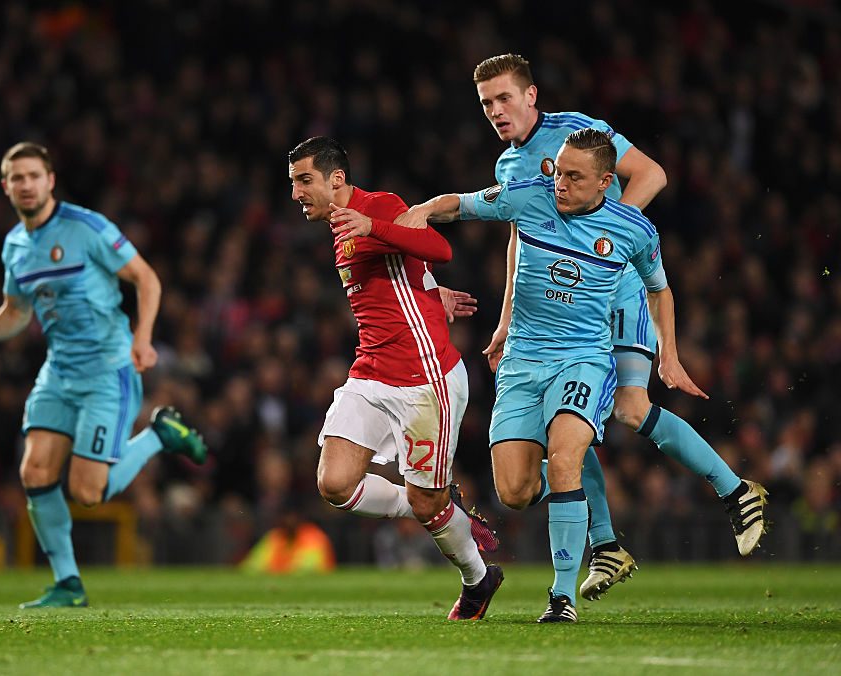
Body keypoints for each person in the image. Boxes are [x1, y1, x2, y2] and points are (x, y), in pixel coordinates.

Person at [360, 129, 704, 622]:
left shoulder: (632, 229)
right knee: (515, 492)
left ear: (607, 181)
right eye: (558, 170)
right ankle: (576, 504)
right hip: (522, 362)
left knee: (565, 461)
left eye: (573, 176)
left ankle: (561, 597)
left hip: (584, 359)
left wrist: (668, 353)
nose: (559, 182)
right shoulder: (529, 197)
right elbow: (463, 204)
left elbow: (660, 289)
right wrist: (423, 211)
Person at [467, 54, 768, 600]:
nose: (495, 111)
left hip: (619, 289)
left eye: (504, 98)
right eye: (486, 103)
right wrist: (507, 318)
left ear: (531, 95)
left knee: (630, 407)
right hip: (559, 307)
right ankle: (606, 543)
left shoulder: (577, 133)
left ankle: (734, 490)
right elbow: (520, 240)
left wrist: (604, 239)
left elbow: (653, 174)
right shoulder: (507, 168)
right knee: (569, 423)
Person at [0, 142, 207, 608]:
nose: (26, 184)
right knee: (34, 471)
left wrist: (144, 338)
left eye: (34, 175)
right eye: (17, 177)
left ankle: (158, 435)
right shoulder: (14, 246)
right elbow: (16, 311)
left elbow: (146, 279)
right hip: (58, 372)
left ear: (50, 180)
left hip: (108, 370)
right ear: (5, 185)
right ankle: (68, 583)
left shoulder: (88, 228)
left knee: (88, 493)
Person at [288, 136, 502, 621]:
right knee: (335, 483)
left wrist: (377, 226)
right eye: (294, 182)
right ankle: (445, 507)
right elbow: (408, 273)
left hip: (425, 377)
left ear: (335, 179)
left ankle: (477, 578)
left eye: (304, 180)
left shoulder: (378, 205)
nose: (297, 193)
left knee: (429, 507)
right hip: (371, 372)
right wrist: (430, 293)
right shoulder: (339, 228)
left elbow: (438, 246)